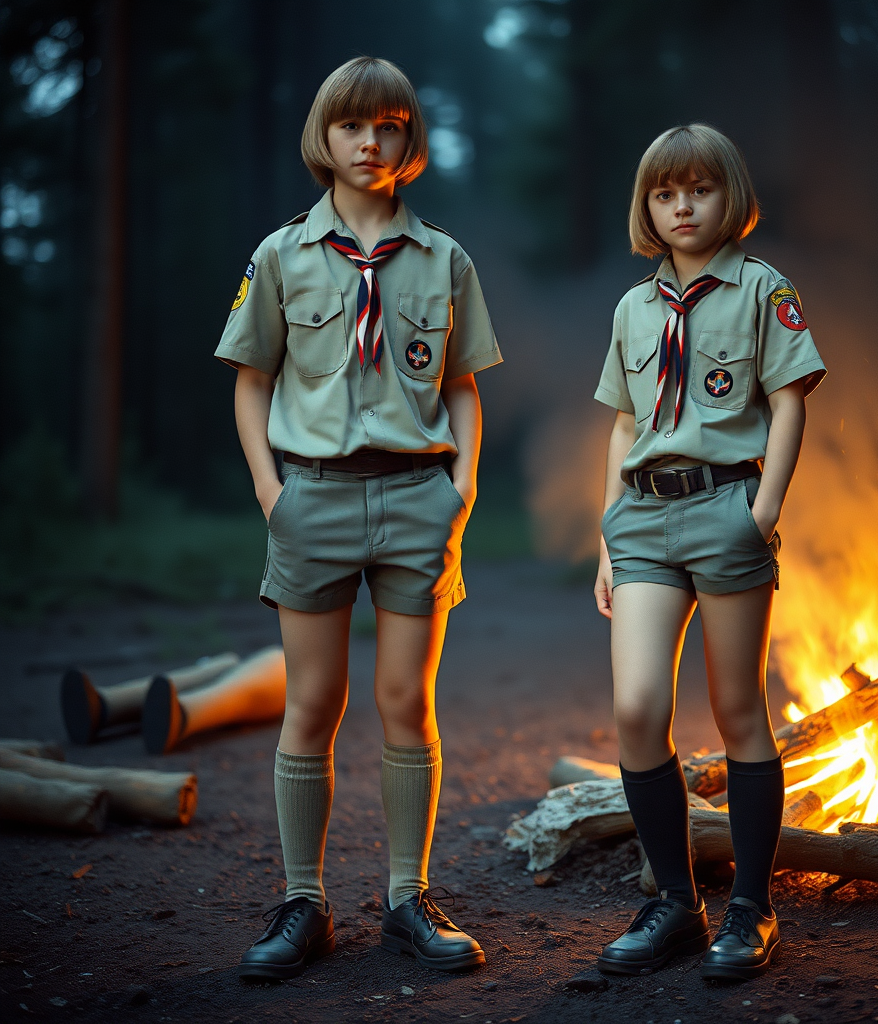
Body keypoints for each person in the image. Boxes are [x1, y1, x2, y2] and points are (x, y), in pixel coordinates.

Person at [215, 57, 501, 981]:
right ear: (324, 140)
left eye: (388, 126)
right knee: (312, 703)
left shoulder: (444, 258)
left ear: (407, 139)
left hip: (419, 499)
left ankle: (406, 898)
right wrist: (272, 492)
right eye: (352, 127)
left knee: (406, 703)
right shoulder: (281, 254)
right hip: (315, 497)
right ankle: (304, 904)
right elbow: (251, 382)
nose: (371, 142)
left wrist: (458, 494)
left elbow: (460, 388)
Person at [592, 124, 825, 981]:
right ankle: (674, 908)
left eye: (698, 190)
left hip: (727, 507)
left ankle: (752, 911)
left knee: (737, 712)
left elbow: (790, 400)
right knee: (637, 709)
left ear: (731, 198)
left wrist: (762, 510)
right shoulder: (633, 307)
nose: (681, 206)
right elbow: (623, 420)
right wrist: (608, 537)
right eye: (664, 193)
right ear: (646, 207)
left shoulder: (764, 291)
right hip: (644, 520)